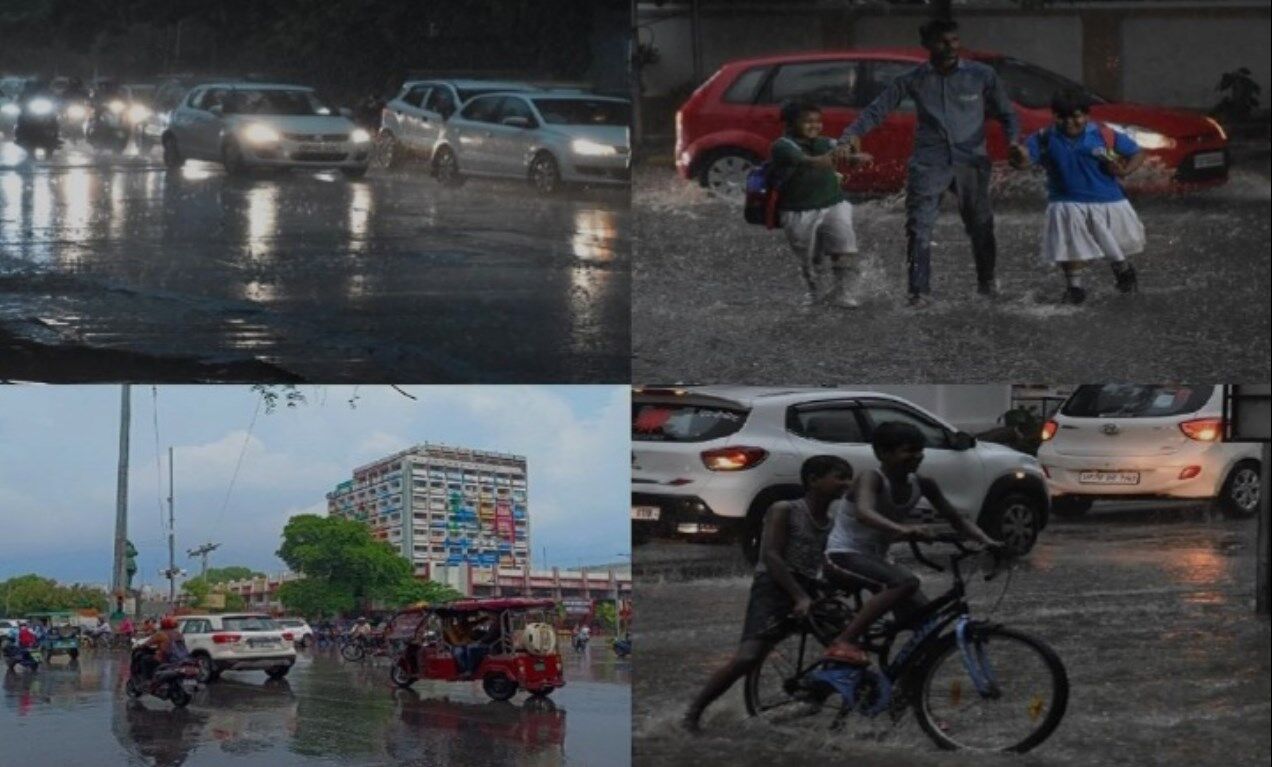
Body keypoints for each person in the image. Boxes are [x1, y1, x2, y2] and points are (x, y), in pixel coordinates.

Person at [835, 18, 1026, 308]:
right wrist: (849, 136)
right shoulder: (913, 79)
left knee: (981, 226)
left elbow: (1007, 114)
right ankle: (918, 293)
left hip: (971, 162)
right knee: (918, 227)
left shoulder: (981, 75)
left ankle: (987, 287)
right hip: (929, 162)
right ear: (927, 46)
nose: (950, 47)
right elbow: (877, 110)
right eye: (942, 42)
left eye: (954, 40)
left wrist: (1014, 142)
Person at [683, 455, 853, 732]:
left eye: (848, 477)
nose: (846, 483)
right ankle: (694, 712)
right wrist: (799, 596)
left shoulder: (830, 521)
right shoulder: (784, 509)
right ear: (813, 480)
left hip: (809, 587)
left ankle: (820, 701)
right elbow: (771, 556)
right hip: (774, 585)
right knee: (749, 657)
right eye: (839, 477)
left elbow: (825, 561)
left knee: (846, 645)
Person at [821, 422, 1003, 665]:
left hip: (877, 561)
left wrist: (988, 542)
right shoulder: (872, 478)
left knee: (927, 624)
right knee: (904, 582)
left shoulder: (923, 483)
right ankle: (843, 642)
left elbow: (957, 520)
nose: (917, 457)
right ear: (883, 454)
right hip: (842, 555)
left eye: (920, 450)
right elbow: (865, 512)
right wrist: (904, 529)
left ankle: (904, 688)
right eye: (908, 450)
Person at [1010, 88, 1144, 304]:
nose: (1070, 122)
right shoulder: (1043, 138)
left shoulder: (1104, 135)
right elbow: (1024, 162)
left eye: (1076, 116)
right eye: (1062, 117)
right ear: (1055, 116)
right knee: (1070, 243)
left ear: (1086, 115)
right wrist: (1018, 158)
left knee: (1112, 246)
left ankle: (1123, 269)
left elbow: (1137, 153)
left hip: (1108, 201)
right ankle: (1075, 288)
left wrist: (1126, 170)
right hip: (1065, 201)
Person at [769, 101, 873, 308]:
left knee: (844, 247)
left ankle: (843, 293)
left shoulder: (826, 142)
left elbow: (848, 151)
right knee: (811, 259)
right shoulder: (782, 146)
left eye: (818, 121)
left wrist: (855, 157)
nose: (814, 126)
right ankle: (815, 293)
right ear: (790, 124)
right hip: (798, 211)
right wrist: (839, 155)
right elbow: (814, 162)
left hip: (834, 203)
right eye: (807, 122)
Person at [136, 616, 187, 682]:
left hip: (164, 658)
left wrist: (141, 646)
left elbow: (148, 643)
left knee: (144, 660)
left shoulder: (160, 634)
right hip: (181, 658)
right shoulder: (178, 634)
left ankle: (147, 680)